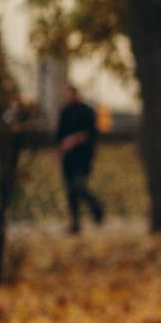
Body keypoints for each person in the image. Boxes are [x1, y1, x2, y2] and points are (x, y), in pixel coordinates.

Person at [56, 83, 104, 233]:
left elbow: (91, 134)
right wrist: (58, 150)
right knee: (70, 191)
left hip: (83, 157)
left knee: (78, 186)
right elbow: (59, 135)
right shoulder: (64, 112)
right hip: (68, 158)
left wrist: (75, 139)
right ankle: (75, 223)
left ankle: (97, 207)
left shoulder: (87, 111)